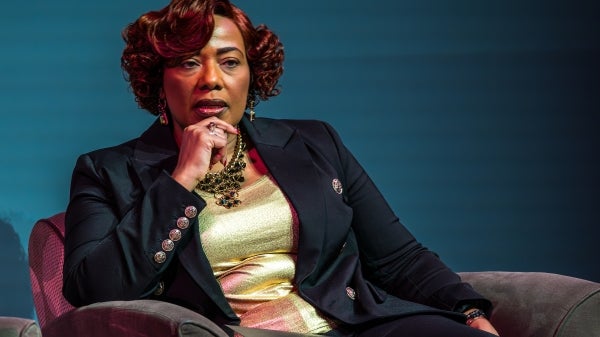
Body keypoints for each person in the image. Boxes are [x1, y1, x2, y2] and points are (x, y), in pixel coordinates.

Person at [62, 0, 500, 336]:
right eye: (188, 61)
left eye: (229, 61)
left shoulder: (314, 142)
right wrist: (181, 179)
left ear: (252, 75)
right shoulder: (107, 172)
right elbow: (95, 292)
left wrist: (469, 309)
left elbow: (397, 256)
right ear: (158, 79)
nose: (211, 78)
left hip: (356, 323)